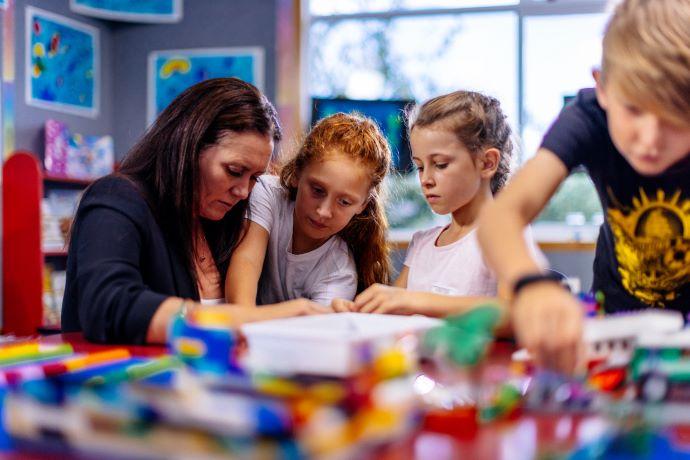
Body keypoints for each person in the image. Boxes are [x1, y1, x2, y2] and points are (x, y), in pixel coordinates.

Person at [477, 0, 690, 374]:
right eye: (634, 110)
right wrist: (531, 283)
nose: (650, 139)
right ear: (603, 87)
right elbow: (501, 216)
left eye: (676, 117)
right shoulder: (588, 117)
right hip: (614, 330)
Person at [62, 78, 325, 345]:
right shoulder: (116, 197)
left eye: (255, 177)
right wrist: (252, 320)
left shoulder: (224, 224)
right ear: (188, 146)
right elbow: (109, 307)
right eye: (234, 171)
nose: (243, 192)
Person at [336, 91, 543, 318]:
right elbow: (393, 308)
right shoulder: (422, 244)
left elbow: (516, 312)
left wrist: (417, 301)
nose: (425, 179)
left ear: (487, 162)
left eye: (440, 164)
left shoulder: (506, 235)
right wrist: (358, 312)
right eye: (420, 167)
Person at [225, 112, 392, 307]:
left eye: (344, 202)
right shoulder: (267, 193)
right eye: (318, 190)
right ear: (296, 173)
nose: (323, 211)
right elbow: (247, 260)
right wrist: (242, 322)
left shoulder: (340, 272)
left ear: (362, 206)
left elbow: (311, 333)